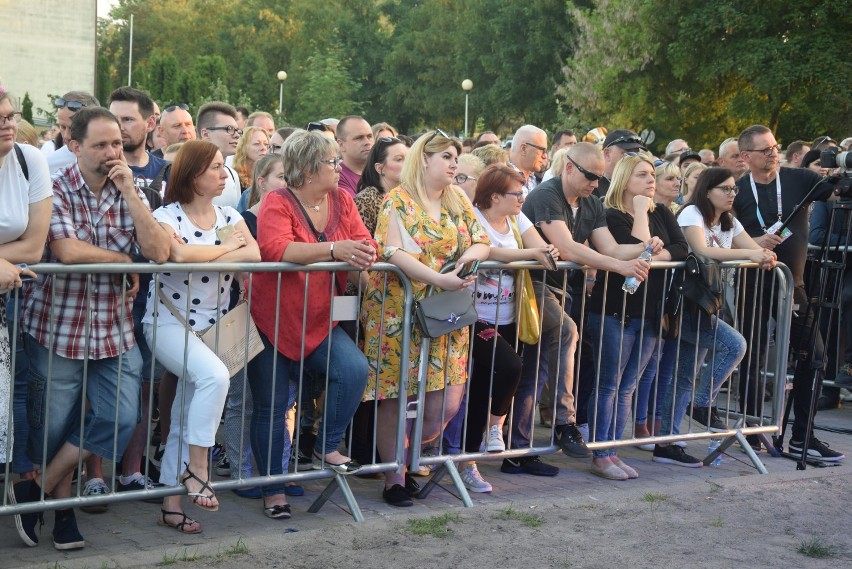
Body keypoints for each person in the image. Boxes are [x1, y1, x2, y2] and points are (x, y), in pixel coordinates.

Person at [10, 107, 170, 550]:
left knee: (123, 416)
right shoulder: (54, 188)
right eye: (101, 144)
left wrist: (131, 196)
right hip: (57, 326)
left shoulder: (132, 190)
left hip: (113, 329)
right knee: (55, 428)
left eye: (116, 143)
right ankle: (63, 516)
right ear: (75, 147)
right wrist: (126, 262)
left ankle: (36, 488)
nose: (112, 152)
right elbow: (66, 251)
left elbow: (158, 251)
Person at [249, 130, 377, 519]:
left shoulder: (342, 199)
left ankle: (326, 444)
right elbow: (276, 249)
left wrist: (363, 261)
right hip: (271, 318)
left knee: (353, 368)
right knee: (271, 407)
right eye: (331, 162)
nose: (339, 169)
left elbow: (365, 242)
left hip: (321, 316)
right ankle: (272, 490)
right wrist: (336, 250)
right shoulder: (277, 200)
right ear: (306, 168)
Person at [360, 130, 490, 507]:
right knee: (396, 397)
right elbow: (394, 251)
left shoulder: (457, 199)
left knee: (444, 405)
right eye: (447, 156)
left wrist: (470, 257)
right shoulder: (398, 200)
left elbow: (482, 238)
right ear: (425, 159)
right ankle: (394, 476)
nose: (453, 163)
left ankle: (411, 453)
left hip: (446, 314)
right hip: (398, 313)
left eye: (455, 157)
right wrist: (438, 278)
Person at [142, 139, 259, 532]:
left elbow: (255, 256)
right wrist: (227, 249)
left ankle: (171, 504)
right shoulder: (167, 215)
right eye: (214, 166)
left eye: (224, 165)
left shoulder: (228, 214)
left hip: (214, 327)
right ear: (191, 175)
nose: (223, 172)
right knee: (215, 378)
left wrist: (212, 249)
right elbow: (175, 256)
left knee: (183, 413)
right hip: (168, 324)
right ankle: (198, 466)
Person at [517, 142, 652, 476]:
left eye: (600, 177)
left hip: (562, 291)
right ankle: (564, 422)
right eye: (590, 176)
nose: (595, 183)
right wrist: (619, 266)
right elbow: (567, 247)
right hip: (530, 288)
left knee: (536, 369)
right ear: (569, 168)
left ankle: (519, 448)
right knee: (565, 333)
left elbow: (611, 248)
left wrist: (645, 245)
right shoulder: (546, 195)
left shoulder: (591, 203)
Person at [733, 124, 844, 461]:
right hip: (752, 283)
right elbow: (720, 236)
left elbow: (836, 194)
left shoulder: (799, 179)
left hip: (792, 284)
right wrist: (753, 245)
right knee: (751, 356)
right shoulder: (735, 190)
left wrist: (839, 173)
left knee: (814, 354)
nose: (773, 153)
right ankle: (751, 433)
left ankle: (802, 436)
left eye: (775, 146)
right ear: (746, 156)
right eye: (765, 149)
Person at [653, 167, 775, 466]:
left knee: (683, 376)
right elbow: (701, 251)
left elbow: (753, 248)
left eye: (734, 189)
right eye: (726, 189)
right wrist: (751, 255)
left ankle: (667, 442)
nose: (732, 194)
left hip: (707, 304)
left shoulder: (728, 221)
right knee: (734, 345)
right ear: (708, 191)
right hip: (685, 304)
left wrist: (766, 254)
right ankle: (702, 402)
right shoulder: (691, 213)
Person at [586, 153, 688, 481]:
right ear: (625, 179)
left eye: (652, 175)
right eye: (642, 175)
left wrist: (656, 257)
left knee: (628, 385)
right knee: (609, 385)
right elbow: (635, 245)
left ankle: (613, 450)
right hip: (617, 310)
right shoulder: (611, 212)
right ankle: (601, 453)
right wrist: (642, 214)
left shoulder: (662, 212)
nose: (651, 180)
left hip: (650, 311)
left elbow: (683, 248)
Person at [459, 164, 560, 493]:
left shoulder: (517, 217)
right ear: (494, 196)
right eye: (517, 194)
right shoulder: (473, 216)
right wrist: (529, 253)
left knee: (500, 378)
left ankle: (478, 445)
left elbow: (536, 245)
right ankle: (478, 447)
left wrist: (546, 250)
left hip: (512, 314)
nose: (523, 198)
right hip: (476, 316)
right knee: (502, 370)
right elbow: (485, 250)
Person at [0, 88, 52, 482]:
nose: (8, 124)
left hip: (8, 294)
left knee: (16, 387)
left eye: (11, 116)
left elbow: (34, 246)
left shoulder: (29, 158)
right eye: (0, 118)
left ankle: (18, 478)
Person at [354, 135, 409, 234]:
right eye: (399, 159)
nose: (408, 164)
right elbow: (363, 243)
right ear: (379, 168)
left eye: (408, 158)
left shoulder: (411, 194)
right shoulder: (366, 200)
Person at [196, 102, 242, 208]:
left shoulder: (232, 175)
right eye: (229, 129)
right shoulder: (188, 173)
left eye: (237, 130)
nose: (236, 135)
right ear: (205, 134)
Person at [336, 116, 374, 197]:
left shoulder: (381, 171)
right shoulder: (337, 177)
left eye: (369, 136)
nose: (367, 142)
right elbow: (356, 208)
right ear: (341, 145)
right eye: (359, 138)